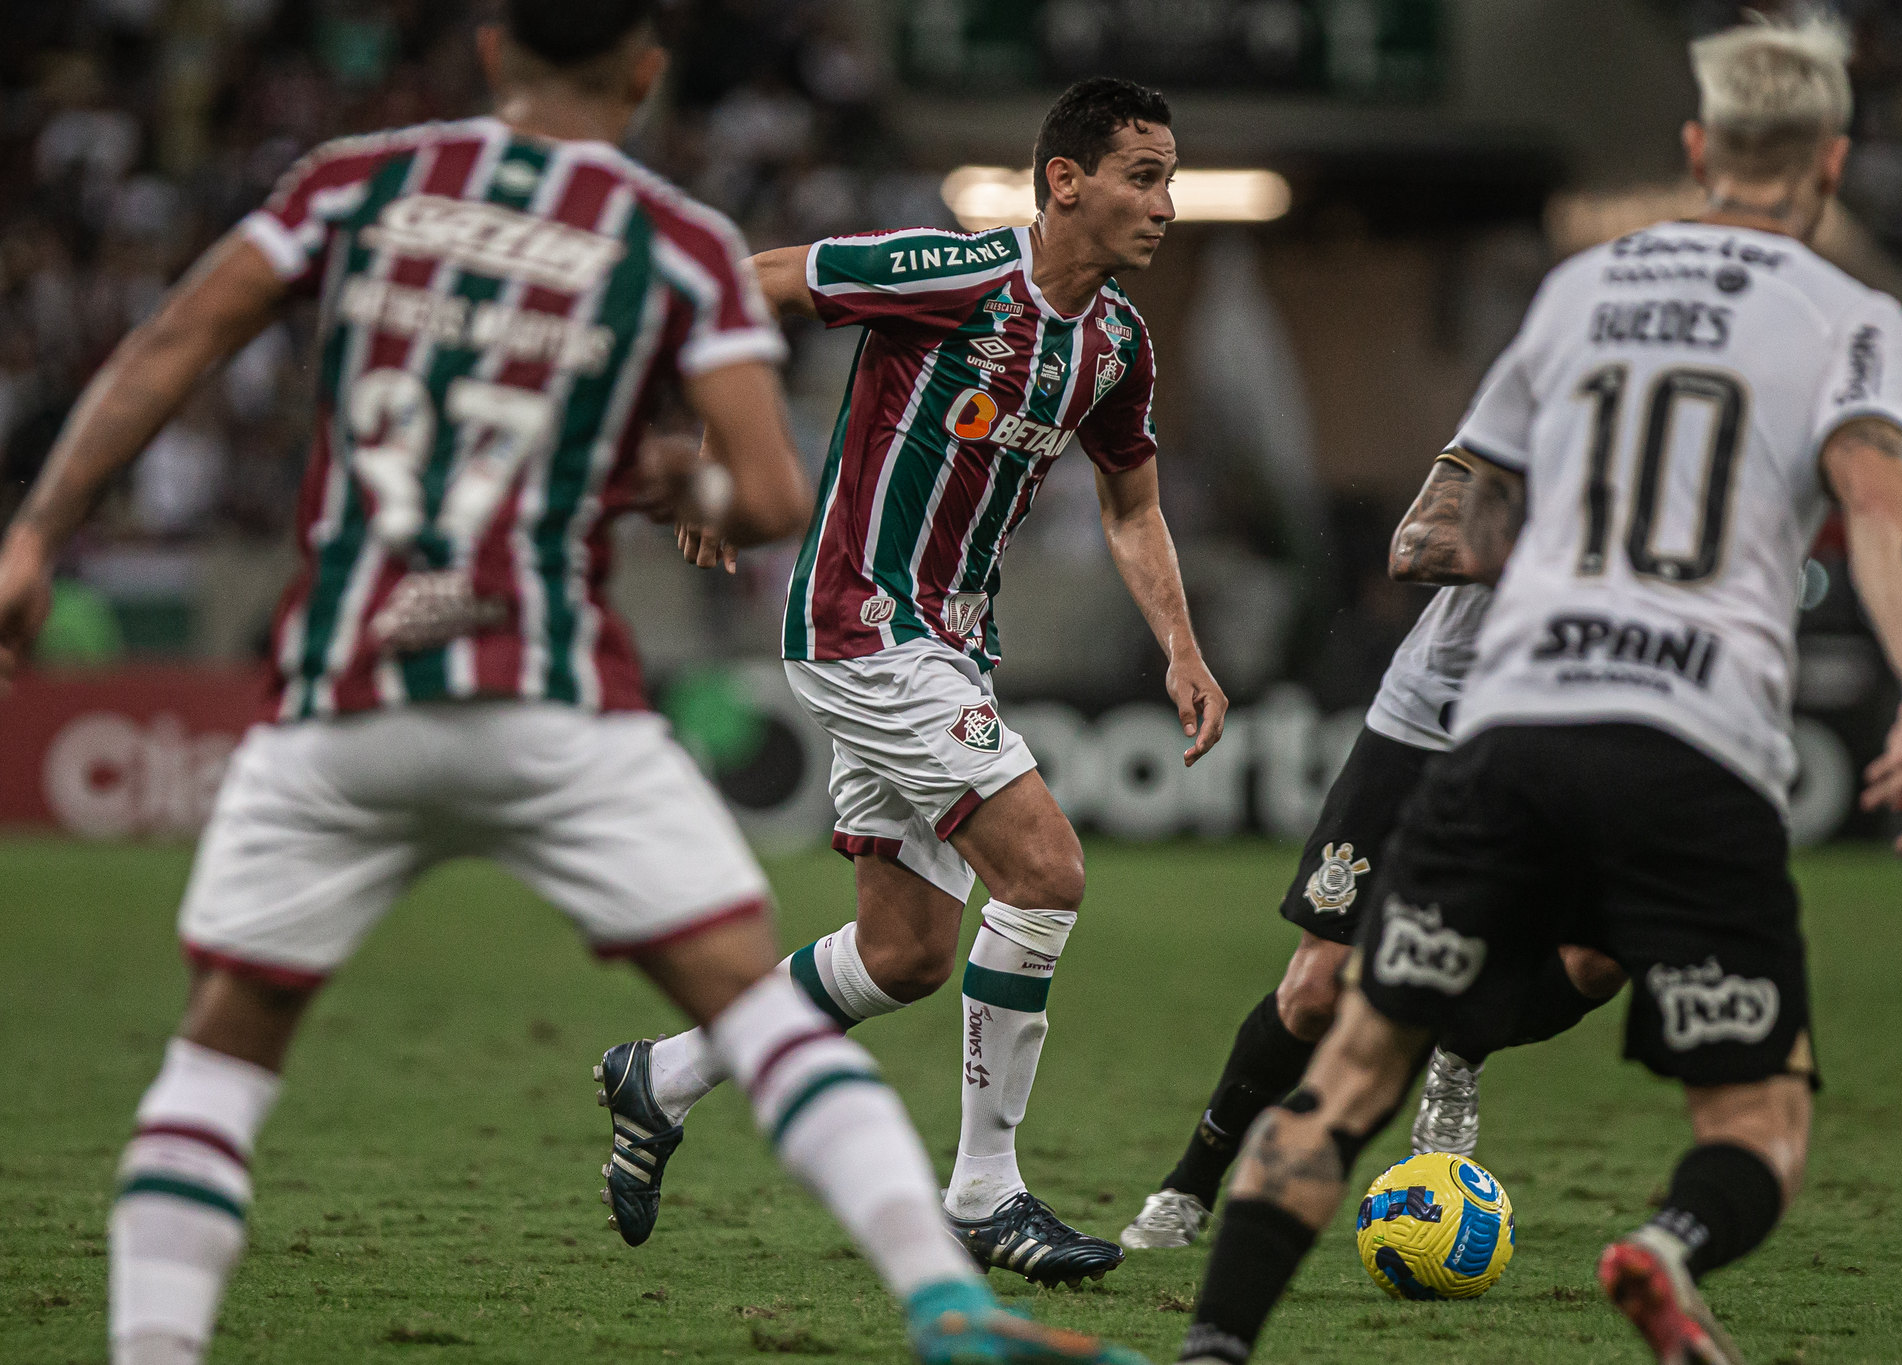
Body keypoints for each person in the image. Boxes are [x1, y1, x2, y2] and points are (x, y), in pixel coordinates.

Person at [0, 7, 1147, 1365]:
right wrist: (698, 475)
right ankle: (947, 1290)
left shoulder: (349, 185)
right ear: (648, 72)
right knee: (757, 1008)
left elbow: (171, 344)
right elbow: (774, 494)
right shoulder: (664, 235)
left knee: (215, 1062)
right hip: (551, 694)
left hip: (341, 688)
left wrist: (32, 533)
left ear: (489, 55)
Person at [1174, 13, 1902, 1365]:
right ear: (1830, 162)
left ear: (1700, 146)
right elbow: (1880, 503)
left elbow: (1458, 529)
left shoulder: (1581, 290)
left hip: (1512, 721)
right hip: (1694, 738)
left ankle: (1212, 1346)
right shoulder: (1857, 316)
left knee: (1350, 1070)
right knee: (1759, 1115)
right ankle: (1665, 1248)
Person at [594, 76, 1229, 1287]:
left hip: (948, 643)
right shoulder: (949, 272)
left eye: (1168, 178)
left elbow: (1130, 501)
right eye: (1143, 177)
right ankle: (985, 1192)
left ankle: (662, 1076)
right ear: (1065, 181)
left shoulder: (1114, 346)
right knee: (1044, 870)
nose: (1165, 204)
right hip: (864, 623)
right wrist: (708, 443)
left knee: (904, 956)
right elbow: (748, 284)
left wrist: (1180, 647)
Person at [1118, 456, 1628, 1251]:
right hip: (1431, 721)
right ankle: (1189, 1184)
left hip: (1582, 735)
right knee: (1316, 990)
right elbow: (1414, 544)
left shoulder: (1707, 455)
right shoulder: (1533, 405)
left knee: (1601, 956)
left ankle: (1461, 1044)